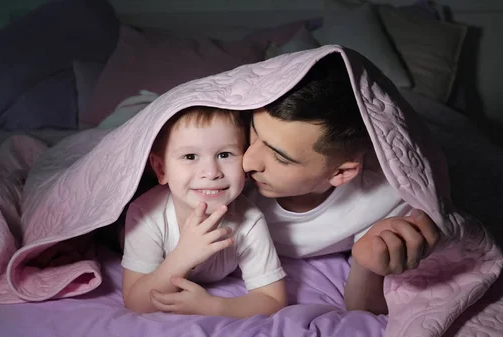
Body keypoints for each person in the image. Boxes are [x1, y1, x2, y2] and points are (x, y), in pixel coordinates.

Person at [151, 53, 440, 315]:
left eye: (279, 156)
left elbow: (365, 307)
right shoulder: (220, 167)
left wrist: (366, 266)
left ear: (340, 173)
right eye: (253, 133)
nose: (247, 162)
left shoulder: (385, 200)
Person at [121, 106, 287, 318]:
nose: (211, 172)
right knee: (109, 228)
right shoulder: (145, 213)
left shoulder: (249, 220)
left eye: (225, 154)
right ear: (162, 170)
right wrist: (183, 256)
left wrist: (214, 307)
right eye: (190, 156)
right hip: (127, 218)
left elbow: (273, 299)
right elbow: (137, 302)